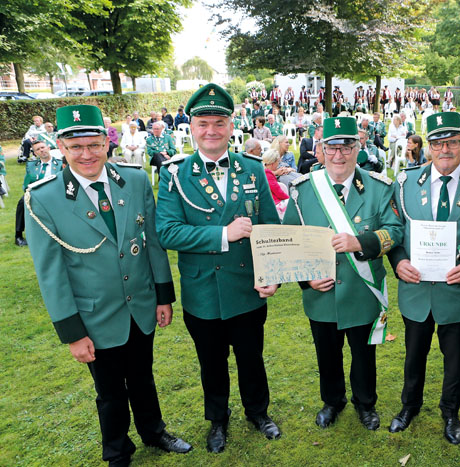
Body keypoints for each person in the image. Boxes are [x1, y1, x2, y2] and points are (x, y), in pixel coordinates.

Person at [25, 104, 191, 466]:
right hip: (94, 317)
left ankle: (154, 430)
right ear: (61, 147)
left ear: (107, 142)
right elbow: (51, 274)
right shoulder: (43, 197)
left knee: (143, 376)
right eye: (75, 147)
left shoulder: (133, 180)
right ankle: (117, 450)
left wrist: (163, 296)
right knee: (110, 391)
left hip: (140, 306)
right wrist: (72, 332)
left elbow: (152, 243)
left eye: (94, 145)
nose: (86, 154)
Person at [155, 84, 282, 453]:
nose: (211, 130)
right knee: (211, 363)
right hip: (203, 291)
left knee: (251, 358)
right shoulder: (175, 173)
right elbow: (167, 231)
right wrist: (223, 234)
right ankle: (217, 421)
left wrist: (271, 273)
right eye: (203, 123)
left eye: (219, 122)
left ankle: (258, 412)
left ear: (231, 126)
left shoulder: (253, 168)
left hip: (246, 287)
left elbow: (269, 227)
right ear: (192, 127)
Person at [387, 111, 460, 444]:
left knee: (454, 358)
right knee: (413, 354)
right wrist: (398, 261)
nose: (445, 150)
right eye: (438, 143)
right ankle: (409, 406)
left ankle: (451, 412)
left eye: (452, 142)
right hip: (417, 289)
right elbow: (395, 233)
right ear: (429, 148)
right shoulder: (406, 183)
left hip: (457, 290)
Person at [283, 116, 403, 431]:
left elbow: (394, 231)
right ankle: (332, 401)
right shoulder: (303, 190)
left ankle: (366, 404)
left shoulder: (379, 188)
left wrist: (359, 242)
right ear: (320, 150)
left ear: (358, 147)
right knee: (327, 355)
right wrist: (305, 279)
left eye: (347, 147)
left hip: (362, 291)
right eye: (331, 148)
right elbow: (289, 241)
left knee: (364, 356)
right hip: (320, 293)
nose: (339, 155)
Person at [14, 139, 63, 247]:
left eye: (43, 147)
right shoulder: (31, 165)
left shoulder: (59, 164)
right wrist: (29, 192)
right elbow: (26, 184)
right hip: (36, 193)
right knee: (22, 202)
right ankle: (18, 235)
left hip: (55, 193)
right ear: (35, 153)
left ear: (48, 148)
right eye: (38, 149)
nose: (41, 151)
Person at [262, 149, 290, 219]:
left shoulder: (264, 171)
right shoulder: (268, 174)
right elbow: (278, 192)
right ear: (273, 163)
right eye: (278, 162)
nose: (278, 164)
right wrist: (290, 200)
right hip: (274, 204)